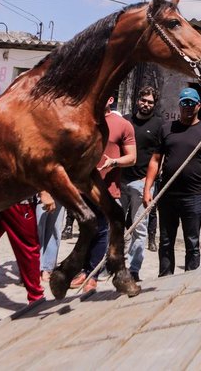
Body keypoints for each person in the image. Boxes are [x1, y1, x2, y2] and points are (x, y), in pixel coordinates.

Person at [143, 87, 201, 276]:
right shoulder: (166, 129)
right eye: (184, 103)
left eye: (191, 104)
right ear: (179, 104)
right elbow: (155, 160)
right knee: (166, 241)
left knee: (192, 242)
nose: (187, 107)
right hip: (167, 195)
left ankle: (190, 280)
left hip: (193, 196)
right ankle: (164, 279)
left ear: (198, 106)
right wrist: (147, 189)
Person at [70, 96, 136, 292]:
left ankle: (92, 274)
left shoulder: (123, 125)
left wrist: (114, 162)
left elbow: (132, 157)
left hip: (107, 187)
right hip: (83, 185)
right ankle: (84, 269)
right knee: (85, 227)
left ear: (111, 99)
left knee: (100, 229)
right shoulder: (85, 120)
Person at [120, 86, 163, 281]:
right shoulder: (126, 120)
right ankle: (112, 263)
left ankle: (134, 268)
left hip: (142, 182)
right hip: (120, 180)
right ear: (138, 100)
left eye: (150, 102)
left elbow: (160, 156)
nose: (146, 104)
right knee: (114, 225)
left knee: (139, 228)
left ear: (155, 104)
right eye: (143, 100)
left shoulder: (159, 125)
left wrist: (149, 181)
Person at [36, 190, 64, 283]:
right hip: (42, 185)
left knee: (54, 228)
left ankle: (47, 267)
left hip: (61, 185)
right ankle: (35, 268)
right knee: (38, 228)